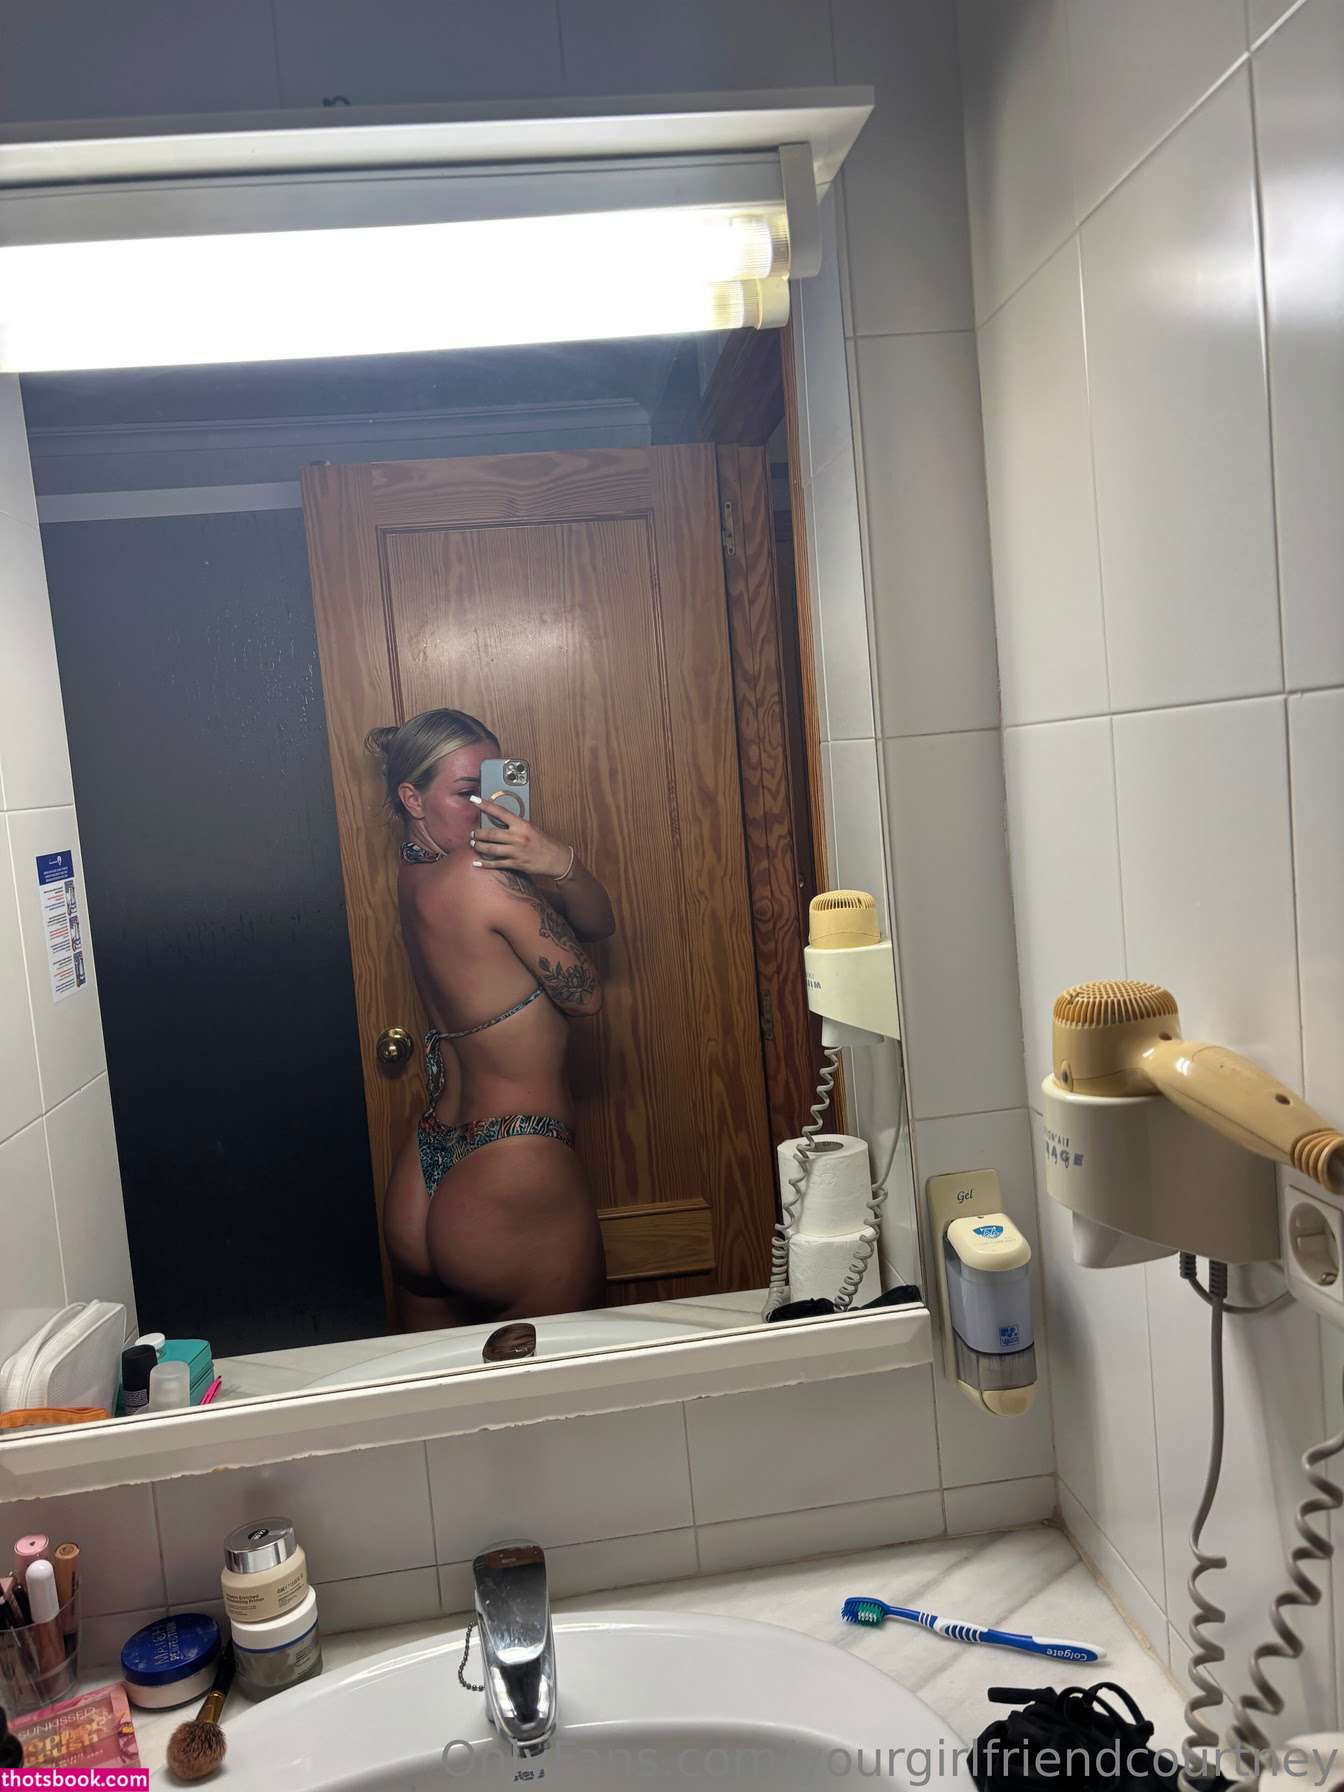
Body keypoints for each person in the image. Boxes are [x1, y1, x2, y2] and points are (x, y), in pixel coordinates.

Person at [365, 708, 615, 1330]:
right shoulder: (482, 877)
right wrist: (551, 863)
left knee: (432, 1383)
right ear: (412, 799)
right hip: (510, 1165)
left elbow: (593, 921)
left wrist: (553, 862)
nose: (486, 809)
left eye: (494, 784)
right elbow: (585, 994)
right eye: (465, 792)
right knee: (565, 1376)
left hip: (426, 1171)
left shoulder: (414, 874)